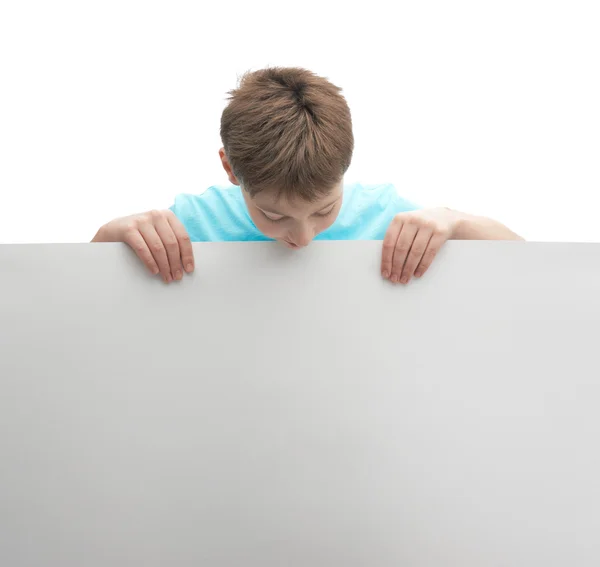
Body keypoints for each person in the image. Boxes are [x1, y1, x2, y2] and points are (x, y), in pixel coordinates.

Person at [92, 67, 523, 284]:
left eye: (325, 210)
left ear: (345, 168)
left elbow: (534, 266)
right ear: (230, 168)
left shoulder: (387, 217)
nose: (304, 237)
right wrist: (111, 235)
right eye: (274, 216)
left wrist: (457, 222)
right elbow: (76, 303)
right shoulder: (190, 224)